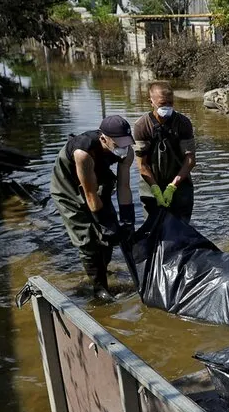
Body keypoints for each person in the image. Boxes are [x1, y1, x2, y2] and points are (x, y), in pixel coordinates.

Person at [50, 114, 136, 297]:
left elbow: (124, 186)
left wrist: (128, 221)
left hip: (98, 177)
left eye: (126, 143)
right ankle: (100, 288)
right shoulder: (83, 152)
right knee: (88, 237)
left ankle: (102, 267)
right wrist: (103, 224)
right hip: (68, 186)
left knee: (110, 236)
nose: (124, 148)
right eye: (118, 143)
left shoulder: (127, 151)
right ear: (103, 138)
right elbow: (90, 195)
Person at [133, 81, 196, 221]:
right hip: (151, 182)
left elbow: (190, 160)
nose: (167, 107)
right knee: (152, 227)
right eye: (162, 104)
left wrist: (173, 186)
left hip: (180, 182)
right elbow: (142, 165)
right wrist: (155, 189)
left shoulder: (183, 123)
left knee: (182, 227)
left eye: (170, 103)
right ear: (151, 102)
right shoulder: (142, 126)